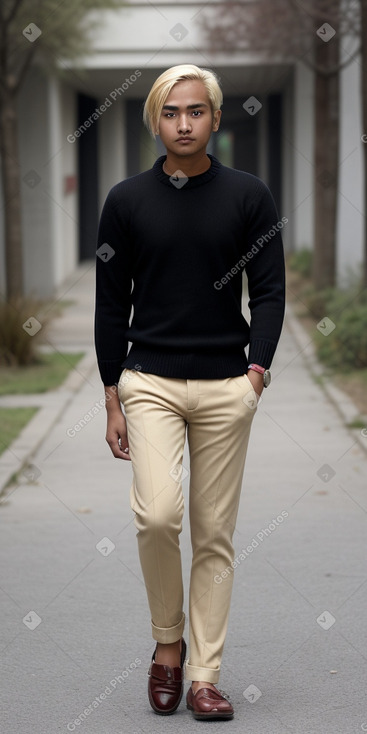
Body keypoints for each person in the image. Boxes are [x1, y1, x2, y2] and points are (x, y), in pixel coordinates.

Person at [94, 63, 285, 721]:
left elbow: (267, 289)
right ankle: (167, 644)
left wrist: (255, 372)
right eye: (171, 111)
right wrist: (112, 393)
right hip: (148, 382)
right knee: (156, 515)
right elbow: (109, 301)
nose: (183, 122)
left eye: (195, 111)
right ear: (155, 118)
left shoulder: (248, 195)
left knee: (213, 534)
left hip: (226, 385)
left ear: (214, 118)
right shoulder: (124, 201)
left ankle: (203, 675)